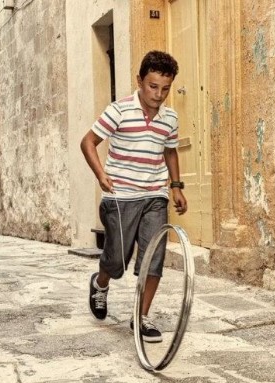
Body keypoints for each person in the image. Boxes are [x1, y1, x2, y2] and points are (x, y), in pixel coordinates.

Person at [80, 50, 187, 343]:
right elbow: (88, 142)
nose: (159, 94)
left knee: (154, 258)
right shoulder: (119, 110)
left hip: (155, 195)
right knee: (116, 260)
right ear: (139, 81)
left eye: (165, 88)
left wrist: (175, 185)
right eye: (153, 86)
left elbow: (170, 150)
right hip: (121, 196)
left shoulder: (170, 117)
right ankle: (100, 283)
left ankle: (140, 316)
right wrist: (101, 174)